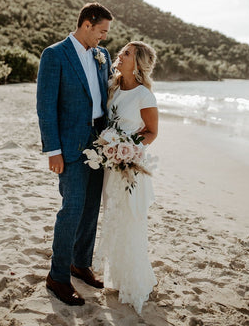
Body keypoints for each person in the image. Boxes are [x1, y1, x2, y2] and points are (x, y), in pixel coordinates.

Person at [36, 2, 113, 306]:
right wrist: (53, 150)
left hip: (100, 141)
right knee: (73, 207)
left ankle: (80, 264)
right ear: (86, 24)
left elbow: (108, 95)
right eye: (102, 31)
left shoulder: (102, 55)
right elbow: (45, 106)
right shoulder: (54, 54)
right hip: (69, 144)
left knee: (91, 207)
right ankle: (58, 276)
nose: (104, 38)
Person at [94, 41, 159, 314]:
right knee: (112, 216)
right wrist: (113, 149)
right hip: (111, 164)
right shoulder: (112, 87)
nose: (119, 55)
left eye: (127, 53)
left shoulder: (145, 95)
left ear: (139, 63)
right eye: (122, 51)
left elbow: (151, 132)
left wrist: (131, 150)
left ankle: (131, 279)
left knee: (130, 219)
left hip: (129, 166)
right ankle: (116, 276)